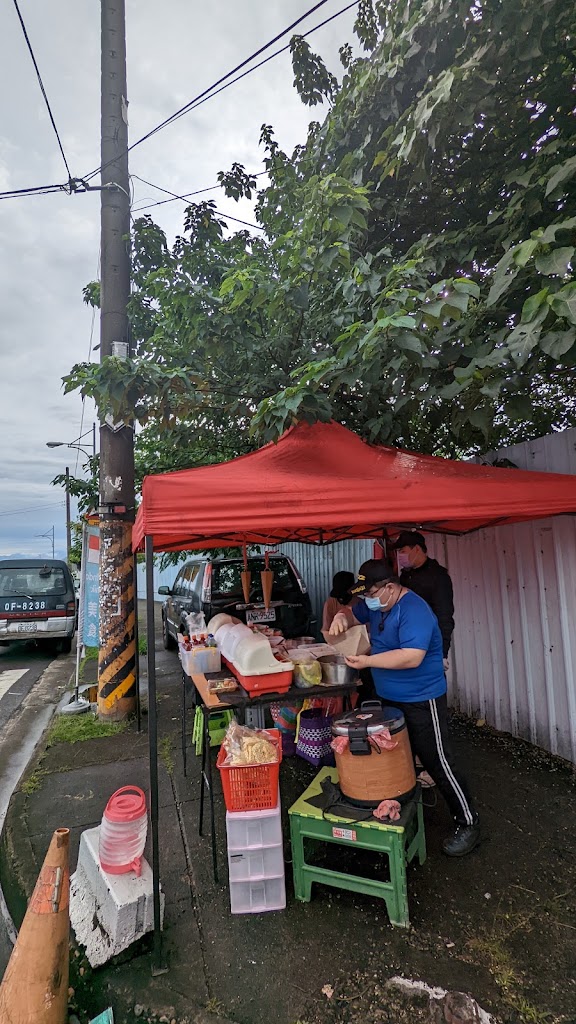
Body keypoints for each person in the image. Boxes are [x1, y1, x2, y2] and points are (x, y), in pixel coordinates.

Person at [329, 559, 480, 857]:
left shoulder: (415, 610)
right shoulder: (377, 604)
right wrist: (342, 617)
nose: (366, 601)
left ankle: (468, 822)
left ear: (389, 588)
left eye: (370, 594)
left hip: (422, 698)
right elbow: (351, 611)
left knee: (437, 761)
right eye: (364, 596)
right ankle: (401, 805)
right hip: (390, 699)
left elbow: (411, 656)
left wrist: (369, 661)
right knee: (396, 756)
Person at [392, 531, 455, 664]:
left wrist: (442, 653)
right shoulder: (405, 576)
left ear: (417, 549)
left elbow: (444, 615)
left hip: (430, 642)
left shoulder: (438, 576)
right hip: (406, 639)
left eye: (403, 551)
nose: (400, 556)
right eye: (398, 552)